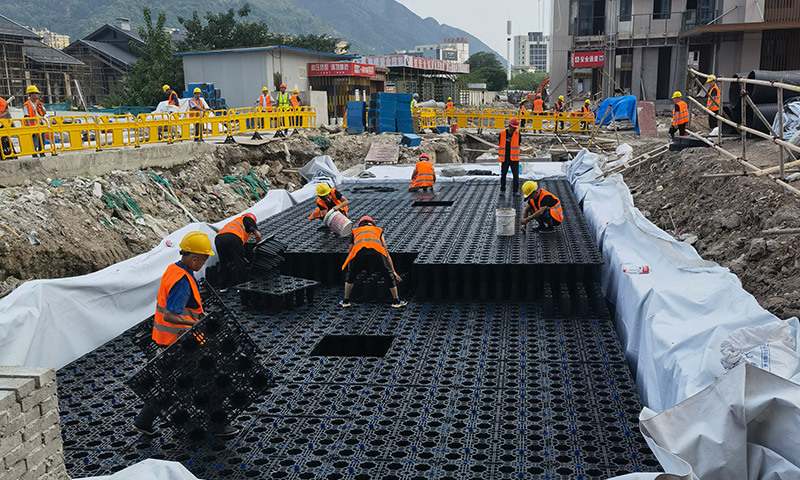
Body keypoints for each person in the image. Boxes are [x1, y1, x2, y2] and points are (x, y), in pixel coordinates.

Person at [133, 232, 240, 439]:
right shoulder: (182, 281)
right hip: (180, 343)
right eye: (204, 259)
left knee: (168, 384)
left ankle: (143, 422)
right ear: (193, 259)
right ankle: (217, 426)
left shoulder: (174, 269)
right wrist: (196, 323)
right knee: (209, 379)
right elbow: (172, 314)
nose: (204, 263)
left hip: (167, 342)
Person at [340, 216, 407, 308]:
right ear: (372, 223)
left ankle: (346, 301)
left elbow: (350, 251)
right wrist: (393, 271)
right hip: (376, 251)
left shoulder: (355, 231)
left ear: (360, 225)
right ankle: (396, 301)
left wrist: (350, 267)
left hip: (360, 251)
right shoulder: (378, 230)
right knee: (387, 274)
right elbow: (386, 252)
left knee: (351, 275)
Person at [214, 213, 262, 288]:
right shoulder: (248, 219)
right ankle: (242, 286)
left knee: (223, 262)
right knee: (240, 261)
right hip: (233, 237)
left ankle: (222, 286)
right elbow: (258, 235)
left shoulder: (235, 221)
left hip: (218, 238)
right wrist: (257, 245)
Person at [23, 85, 47, 158]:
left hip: (40, 124)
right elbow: (26, 116)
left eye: (37, 94)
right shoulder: (26, 105)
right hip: (32, 125)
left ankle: (42, 152)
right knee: (34, 141)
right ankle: (34, 153)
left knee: (42, 140)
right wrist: (28, 126)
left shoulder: (38, 103)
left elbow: (44, 113)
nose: (37, 95)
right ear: (30, 95)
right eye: (35, 94)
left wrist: (41, 107)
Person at [498, 117, 520, 194]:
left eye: (515, 128)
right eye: (513, 128)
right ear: (509, 126)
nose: (514, 130)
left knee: (516, 175)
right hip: (505, 158)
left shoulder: (518, 134)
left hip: (514, 159)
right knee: (503, 174)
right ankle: (502, 190)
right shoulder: (502, 134)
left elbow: (518, 144)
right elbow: (500, 143)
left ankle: (515, 191)